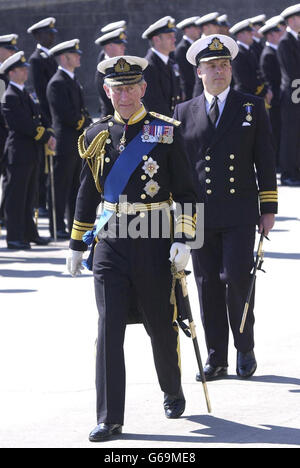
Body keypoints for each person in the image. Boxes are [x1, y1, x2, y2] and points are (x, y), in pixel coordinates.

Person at [66, 55, 197, 441]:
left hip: (155, 239)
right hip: (110, 244)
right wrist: (76, 243)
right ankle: (110, 417)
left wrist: (184, 238)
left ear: (143, 89)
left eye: (130, 88)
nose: (124, 95)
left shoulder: (166, 131)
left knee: (160, 323)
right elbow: (88, 192)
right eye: (116, 89)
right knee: (108, 329)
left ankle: (172, 389)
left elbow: (188, 192)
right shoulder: (95, 135)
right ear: (107, 92)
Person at [174, 34, 278, 381]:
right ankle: (216, 357)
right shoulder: (183, 112)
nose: (219, 72)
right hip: (201, 212)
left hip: (239, 210)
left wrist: (269, 208)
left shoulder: (250, 106)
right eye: (212, 67)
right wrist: (181, 218)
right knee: (206, 284)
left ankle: (244, 347)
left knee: (237, 278)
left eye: (224, 65)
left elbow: (264, 159)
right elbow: (182, 170)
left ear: (230, 68)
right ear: (199, 71)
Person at [0, 51, 56, 249]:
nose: (25, 72)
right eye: (21, 69)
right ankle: (14, 236)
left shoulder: (24, 93)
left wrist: (49, 130)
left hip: (31, 151)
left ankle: (30, 233)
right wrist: (44, 136)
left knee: (29, 195)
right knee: (16, 197)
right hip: (19, 152)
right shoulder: (9, 96)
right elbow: (22, 124)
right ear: (11, 73)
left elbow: (39, 116)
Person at [46, 39, 92, 239]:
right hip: (65, 141)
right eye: (75, 54)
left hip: (76, 141)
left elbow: (82, 110)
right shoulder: (57, 82)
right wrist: (84, 122)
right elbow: (66, 115)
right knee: (61, 186)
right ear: (65, 58)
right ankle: (57, 226)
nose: (79, 56)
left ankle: (75, 224)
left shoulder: (72, 79)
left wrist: (87, 121)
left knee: (75, 185)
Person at [27, 17, 58, 217]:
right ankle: (41, 202)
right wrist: (48, 122)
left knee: (52, 165)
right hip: (47, 118)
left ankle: (47, 200)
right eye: (48, 33)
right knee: (44, 167)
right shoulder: (36, 59)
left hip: (54, 116)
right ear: (38, 36)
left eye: (52, 32)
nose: (52, 36)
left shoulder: (51, 57)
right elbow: (40, 92)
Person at [277, 4, 300, 186]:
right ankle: (287, 173)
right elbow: (292, 71)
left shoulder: (297, 40)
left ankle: (296, 170)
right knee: (290, 136)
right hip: (292, 93)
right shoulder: (285, 42)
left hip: (297, 92)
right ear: (291, 20)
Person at [142, 16, 181, 116]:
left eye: (173, 36)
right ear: (156, 40)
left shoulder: (169, 62)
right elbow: (154, 104)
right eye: (169, 36)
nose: (174, 39)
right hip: (159, 125)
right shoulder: (148, 66)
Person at [259, 17, 284, 168]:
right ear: (270, 35)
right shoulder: (268, 54)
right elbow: (271, 79)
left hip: (279, 97)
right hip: (274, 99)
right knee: (275, 131)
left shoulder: (275, 51)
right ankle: (276, 162)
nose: (281, 34)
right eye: (278, 32)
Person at [229, 19, 272, 106]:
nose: (252, 34)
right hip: (245, 96)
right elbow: (244, 80)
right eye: (249, 32)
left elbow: (258, 73)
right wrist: (263, 91)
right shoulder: (238, 53)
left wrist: (265, 89)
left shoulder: (249, 50)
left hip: (254, 94)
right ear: (240, 35)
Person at [0, 34, 19, 228]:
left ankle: (3, 213)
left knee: (8, 176)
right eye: (9, 49)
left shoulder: (7, 74)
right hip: (2, 132)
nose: (12, 53)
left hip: (6, 133)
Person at [94, 27, 127, 117]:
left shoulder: (121, 64)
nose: (123, 47)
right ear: (108, 47)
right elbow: (110, 102)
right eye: (119, 44)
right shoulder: (103, 71)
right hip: (112, 119)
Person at [193, 12, 220, 98]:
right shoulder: (198, 46)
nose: (217, 28)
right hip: (203, 91)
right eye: (214, 25)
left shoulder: (218, 43)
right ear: (205, 27)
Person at [175, 17, 201, 101]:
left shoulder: (196, 45)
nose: (198, 30)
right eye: (195, 27)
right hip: (190, 92)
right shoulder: (182, 48)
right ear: (186, 30)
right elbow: (186, 75)